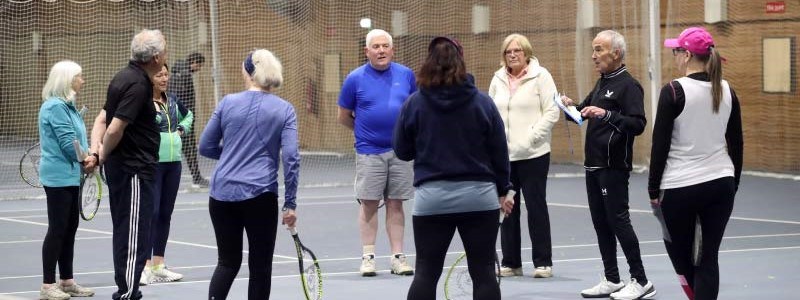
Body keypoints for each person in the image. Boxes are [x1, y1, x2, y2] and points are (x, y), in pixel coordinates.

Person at [394, 36, 514, 300]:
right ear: (462, 62)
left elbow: (401, 151)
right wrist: (504, 188)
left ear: (427, 64)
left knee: (426, 272)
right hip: (479, 199)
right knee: (483, 272)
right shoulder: (483, 102)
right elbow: (499, 151)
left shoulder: (414, 104)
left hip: (432, 200)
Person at [561, 30, 656, 300]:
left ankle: (641, 281)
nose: (594, 55)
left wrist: (606, 114)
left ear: (616, 53)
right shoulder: (602, 83)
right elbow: (583, 113)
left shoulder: (629, 86)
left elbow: (638, 124)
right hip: (593, 165)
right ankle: (613, 279)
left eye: (599, 49)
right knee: (601, 223)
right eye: (593, 50)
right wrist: (569, 107)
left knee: (618, 221)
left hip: (613, 166)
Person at [199, 49, 299, 299]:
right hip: (260, 196)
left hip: (221, 196)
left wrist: (233, 154)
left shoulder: (228, 102)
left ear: (249, 72)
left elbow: (205, 146)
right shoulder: (285, 110)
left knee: (227, 262)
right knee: (260, 267)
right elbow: (291, 158)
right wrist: (290, 203)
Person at [650, 27, 742, 300]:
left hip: (680, 187)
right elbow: (736, 143)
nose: (674, 56)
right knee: (708, 258)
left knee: (682, 257)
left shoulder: (674, 91)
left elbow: (660, 145)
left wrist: (653, 190)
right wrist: (733, 182)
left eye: (676, 51)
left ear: (687, 55)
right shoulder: (728, 91)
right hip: (720, 184)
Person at [91, 29, 166, 300]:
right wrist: (103, 154)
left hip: (127, 168)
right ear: (156, 57)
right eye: (164, 51)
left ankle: (126, 290)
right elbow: (113, 128)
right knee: (134, 234)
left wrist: (95, 151)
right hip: (134, 170)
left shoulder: (122, 77)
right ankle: (127, 293)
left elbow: (101, 120)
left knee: (126, 229)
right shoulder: (137, 85)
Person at [337, 28, 415, 276]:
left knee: (395, 204)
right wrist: (365, 135)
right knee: (369, 203)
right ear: (367, 51)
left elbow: (415, 110)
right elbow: (344, 116)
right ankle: (368, 256)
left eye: (385, 46)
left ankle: (397, 257)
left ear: (392, 49)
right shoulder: (354, 78)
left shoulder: (406, 75)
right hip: (369, 152)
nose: (381, 51)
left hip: (401, 152)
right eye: (376, 47)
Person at [488, 33, 559, 279]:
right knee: (507, 209)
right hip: (504, 157)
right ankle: (511, 262)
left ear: (526, 52)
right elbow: (490, 112)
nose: (513, 55)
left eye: (517, 50)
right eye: (508, 51)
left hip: (534, 154)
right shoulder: (497, 79)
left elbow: (552, 112)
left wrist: (531, 138)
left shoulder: (542, 76)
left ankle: (543, 262)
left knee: (536, 206)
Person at [38, 60, 97, 300]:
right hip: (58, 177)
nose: (82, 80)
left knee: (70, 228)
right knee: (57, 229)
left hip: (72, 176)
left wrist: (88, 158)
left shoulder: (68, 106)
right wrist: (87, 160)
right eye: (79, 76)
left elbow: (76, 140)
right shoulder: (55, 107)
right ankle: (47, 285)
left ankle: (67, 281)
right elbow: (67, 142)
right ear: (67, 80)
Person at [138, 64, 192, 285]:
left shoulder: (172, 100)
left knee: (165, 214)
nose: (164, 78)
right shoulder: (143, 102)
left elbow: (189, 116)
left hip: (174, 164)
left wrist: (180, 130)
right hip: (152, 163)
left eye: (165, 74)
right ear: (150, 78)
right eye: (159, 74)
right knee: (152, 212)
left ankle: (159, 265)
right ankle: (144, 266)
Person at [168, 52, 207, 187]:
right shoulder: (183, 75)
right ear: (195, 62)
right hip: (182, 120)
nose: (199, 69)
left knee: (183, 148)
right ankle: (196, 177)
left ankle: (195, 177)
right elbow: (180, 98)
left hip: (175, 118)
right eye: (200, 66)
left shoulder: (177, 73)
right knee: (188, 148)